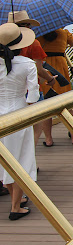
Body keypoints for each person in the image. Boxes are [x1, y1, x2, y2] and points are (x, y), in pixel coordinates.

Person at [0, 23, 38, 220]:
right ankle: (16, 206)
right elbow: (33, 97)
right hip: (18, 113)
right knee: (21, 159)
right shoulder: (27, 64)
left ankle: (16, 197)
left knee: (4, 161)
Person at [8, 11, 57, 147]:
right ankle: (30, 158)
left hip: (11, 92)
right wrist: (50, 79)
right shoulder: (34, 43)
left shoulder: (4, 44)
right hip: (31, 89)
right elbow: (38, 69)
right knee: (36, 126)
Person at [38, 24, 73, 145]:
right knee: (66, 104)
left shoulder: (38, 35)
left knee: (46, 106)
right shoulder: (64, 33)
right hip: (60, 67)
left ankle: (48, 139)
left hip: (45, 68)